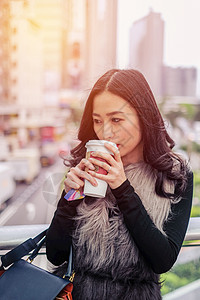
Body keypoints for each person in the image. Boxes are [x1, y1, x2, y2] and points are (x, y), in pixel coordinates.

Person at [46, 69, 193, 300]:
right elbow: (55, 254)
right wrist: (70, 198)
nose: (105, 132)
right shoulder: (85, 166)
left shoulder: (174, 175)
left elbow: (162, 260)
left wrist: (122, 188)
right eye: (97, 120)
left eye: (116, 119)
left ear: (143, 118)